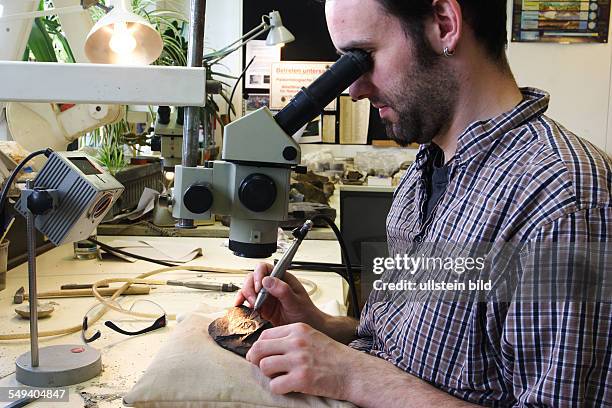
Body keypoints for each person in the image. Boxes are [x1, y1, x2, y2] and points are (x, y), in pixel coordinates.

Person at [235, 0, 612, 406]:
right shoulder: (425, 170)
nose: (355, 88)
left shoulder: (562, 200)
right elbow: (407, 347)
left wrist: (353, 375)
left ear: (444, 24)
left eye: (362, 58)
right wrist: (321, 326)